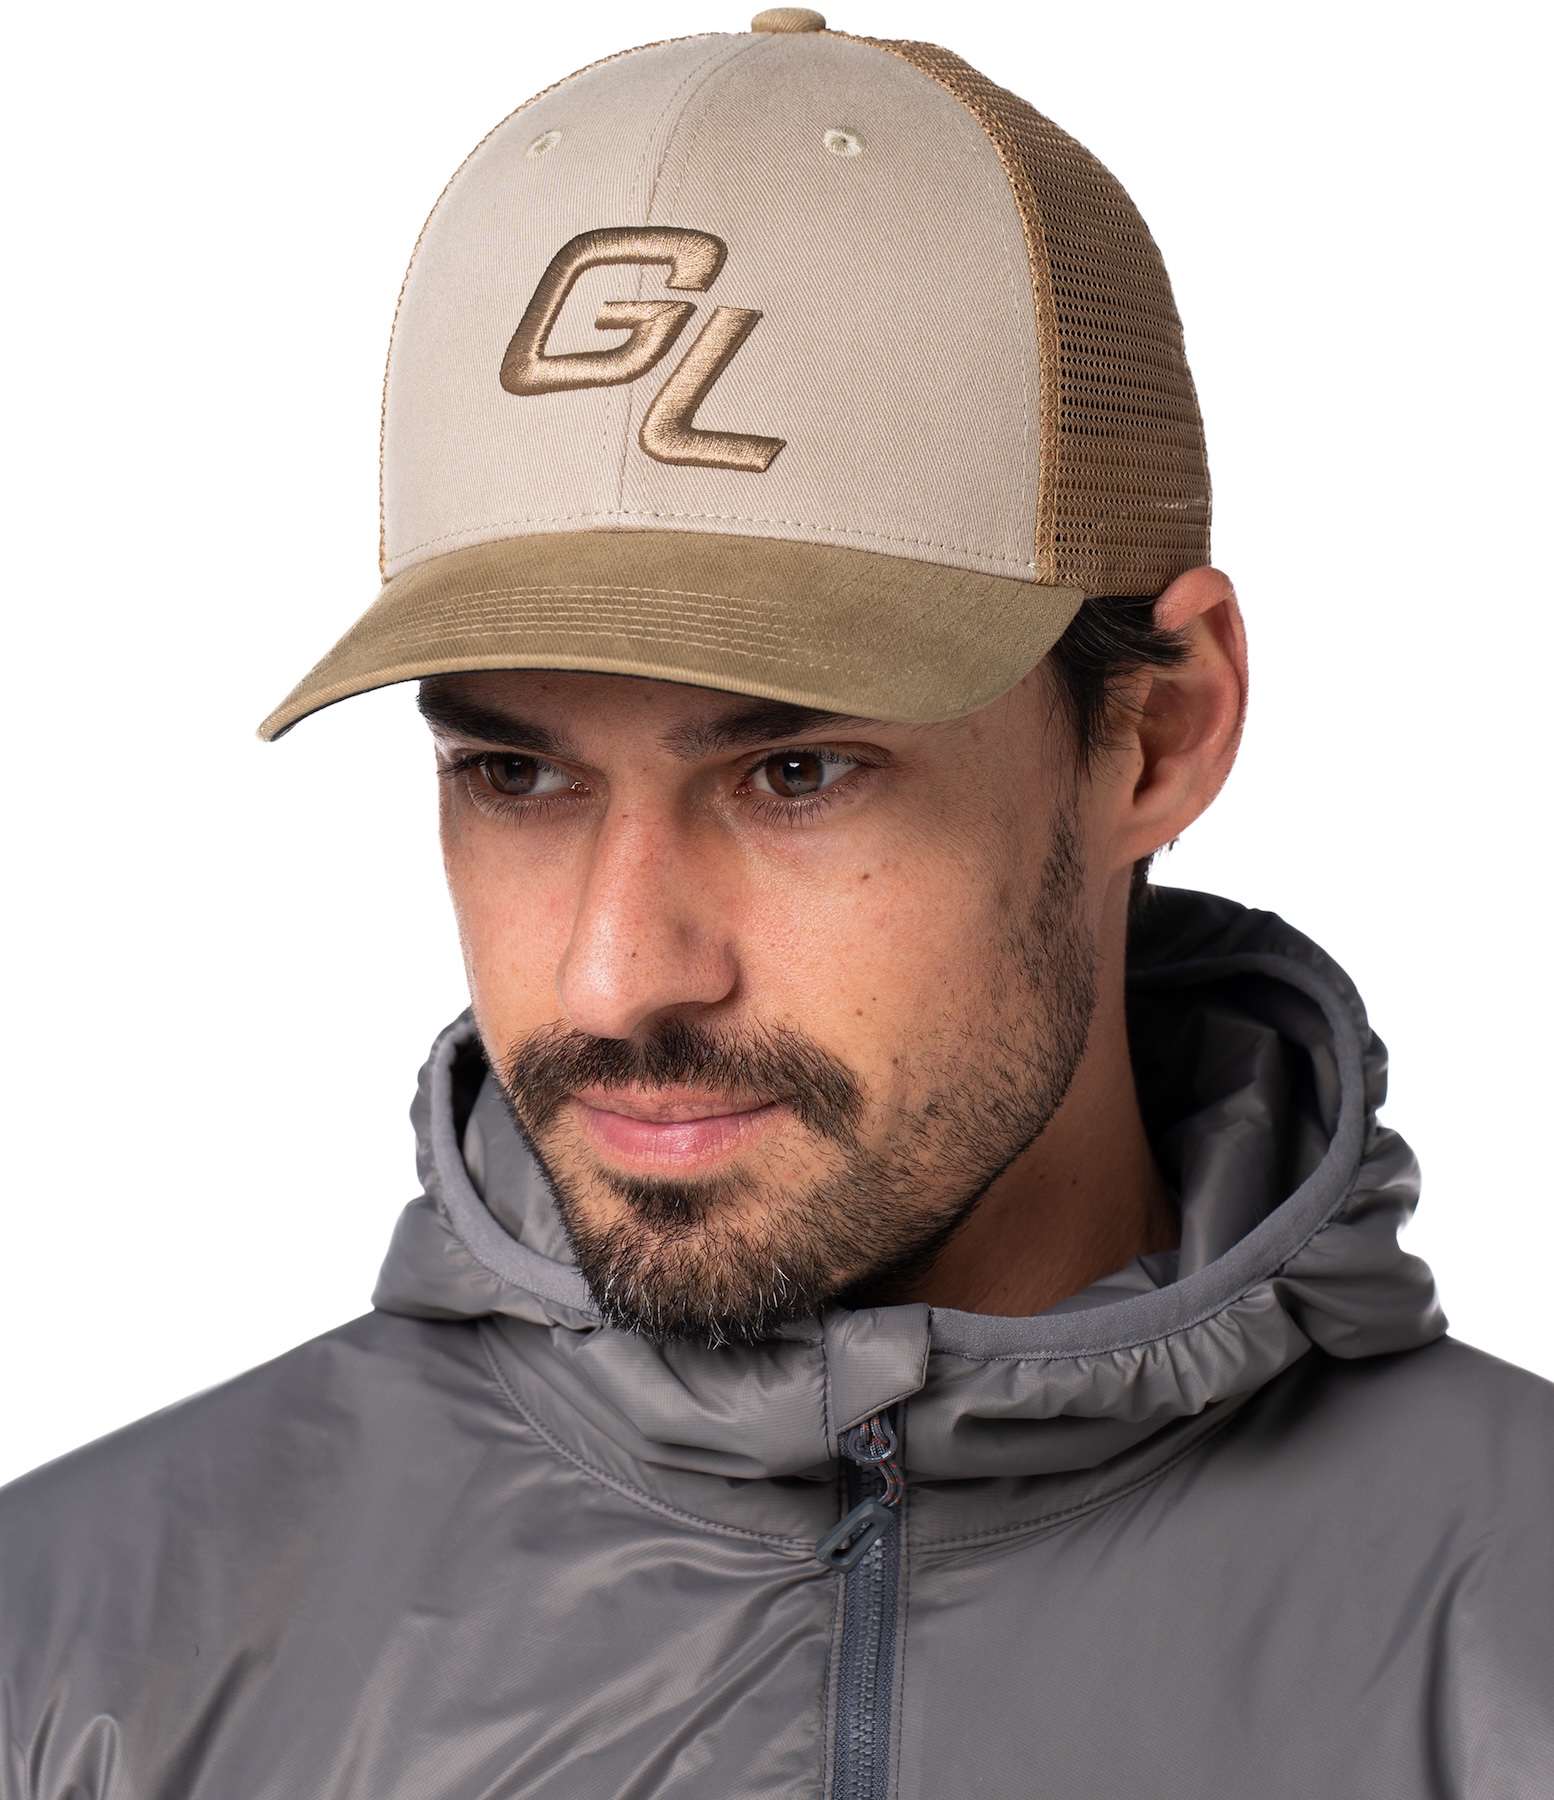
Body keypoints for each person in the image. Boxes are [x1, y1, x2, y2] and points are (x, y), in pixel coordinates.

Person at [3, 10, 1551, 1797]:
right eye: (515, 775)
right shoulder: (73, 1665)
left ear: (1157, 733)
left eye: (794, 771)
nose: (617, 974)